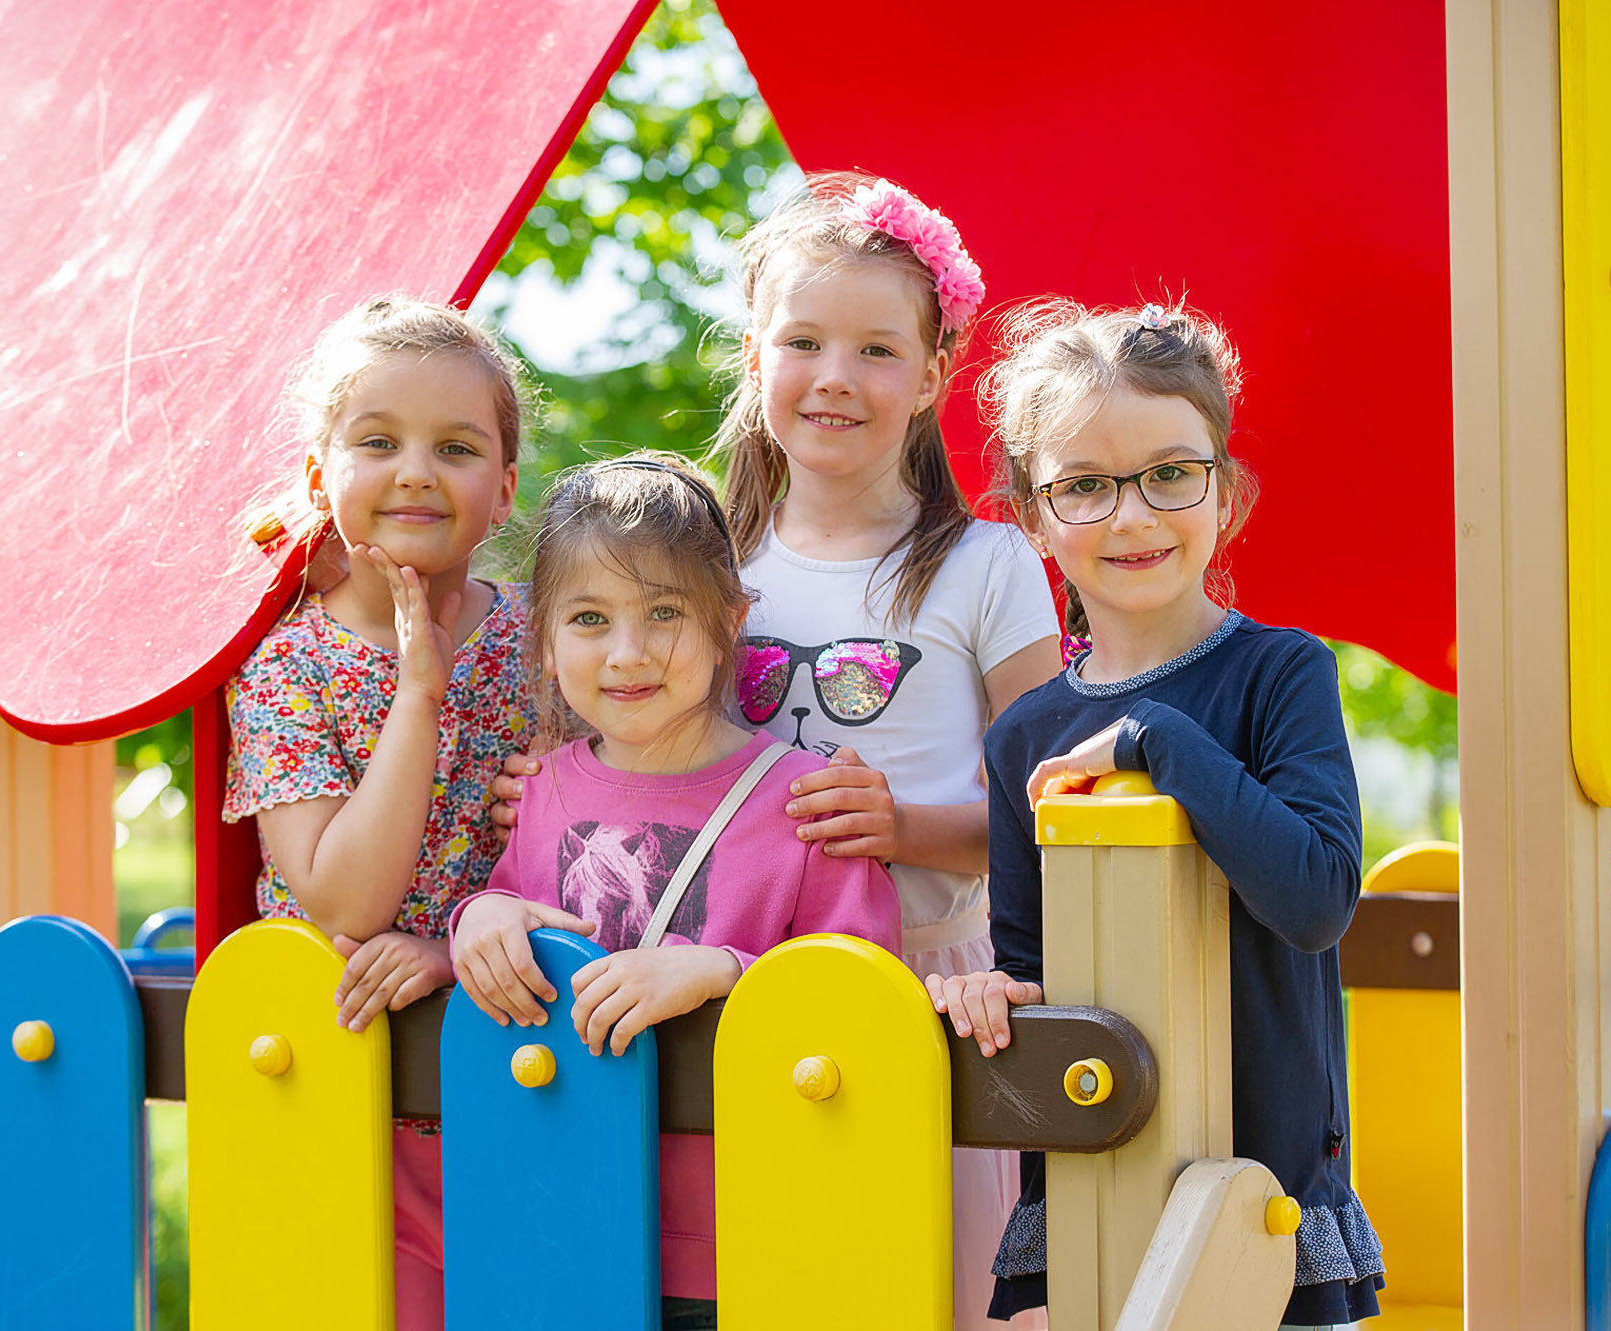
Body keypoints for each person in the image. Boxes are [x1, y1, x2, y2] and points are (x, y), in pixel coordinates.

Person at [932, 299, 1383, 1328]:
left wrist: (1156, 741)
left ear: (1226, 494)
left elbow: (1314, 897)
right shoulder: (1022, 738)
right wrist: (992, 999)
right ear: (1034, 516)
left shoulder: (1280, 673)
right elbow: (1030, 964)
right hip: (1102, 1171)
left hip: (1258, 1189)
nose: (1130, 517)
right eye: (1084, 486)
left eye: (1169, 474)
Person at [713, 171, 1063, 1330]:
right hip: (734, 983)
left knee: (929, 1289)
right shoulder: (705, 565)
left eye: (874, 349)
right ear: (754, 355)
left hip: (932, 984)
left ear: (929, 375)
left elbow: (1047, 810)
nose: (833, 377)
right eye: (802, 340)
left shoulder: (987, 566)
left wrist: (905, 828)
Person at [449, 453, 900, 1331]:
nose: (628, 652)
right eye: (589, 618)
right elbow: (513, 925)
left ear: (730, 620)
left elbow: (865, 998)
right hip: (559, 1221)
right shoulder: (538, 792)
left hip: (745, 1245)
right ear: (542, 637)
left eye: (664, 612)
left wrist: (723, 970)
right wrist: (482, 915)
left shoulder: (803, 800)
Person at [221, 295, 533, 1331]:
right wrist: (417, 691)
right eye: (377, 440)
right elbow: (346, 895)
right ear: (320, 474)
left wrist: (452, 947)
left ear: (503, 489)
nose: (414, 470)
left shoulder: (548, 642)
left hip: (518, 1069)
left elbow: (596, 851)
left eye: (454, 446)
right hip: (336, 1084)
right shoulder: (283, 673)